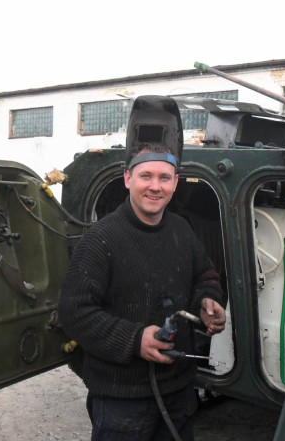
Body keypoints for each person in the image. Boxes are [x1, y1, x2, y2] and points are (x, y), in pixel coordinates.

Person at [58, 143, 226, 441]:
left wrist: (207, 300)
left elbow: (205, 276)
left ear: (175, 183)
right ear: (128, 179)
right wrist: (135, 340)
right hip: (121, 400)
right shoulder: (101, 239)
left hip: (179, 391)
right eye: (146, 176)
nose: (155, 186)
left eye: (164, 178)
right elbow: (74, 312)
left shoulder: (182, 230)